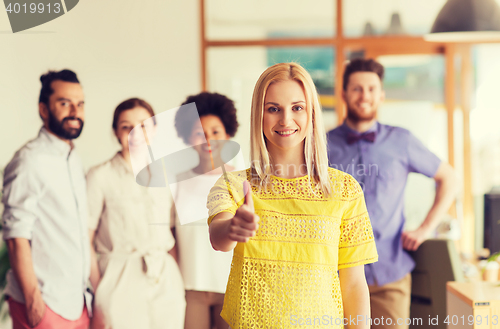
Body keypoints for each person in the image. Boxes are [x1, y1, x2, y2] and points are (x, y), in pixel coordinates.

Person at [207, 62, 378, 328]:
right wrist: (233, 228)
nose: (286, 120)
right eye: (273, 109)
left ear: (311, 114)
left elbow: (354, 284)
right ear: (259, 115)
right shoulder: (235, 183)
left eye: (297, 107)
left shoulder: (344, 189)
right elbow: (219, 238)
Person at [326, 58, 457, 329]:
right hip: (334, 277)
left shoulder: (402, 141)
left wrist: (425, 228)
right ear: (344, 94)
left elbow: (449, 178)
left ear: (382, 94)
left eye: (372, 89)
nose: (365, 96)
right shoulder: (321, 145)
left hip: (390, 276)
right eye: (357, 89)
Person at [2, 69, 91, 329]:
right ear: (43, 109)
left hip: (76, 303)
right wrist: (33, 302)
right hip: (44, 304)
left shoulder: (73, 158)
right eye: (65, 103)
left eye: (80, 104)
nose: (75, 111)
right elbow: (16, 235)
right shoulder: (29, 160)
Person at [86, 98, 185, 329]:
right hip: (119, 277)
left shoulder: (168, 175)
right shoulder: (99, 176)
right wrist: (100, 290)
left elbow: (173, 232)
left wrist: (175, 271)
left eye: (143, 125)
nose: (135, 133)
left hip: (164, 277)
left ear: (155, 129)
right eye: (126, 127)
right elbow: (85, 239)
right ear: (115, 132)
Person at [171, 92, 240, 329]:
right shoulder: (177, 182)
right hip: (191, 286)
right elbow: (170, 237)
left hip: (232, 285)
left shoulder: (242, 180)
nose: (208, 140)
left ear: (228, 134)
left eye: (215, 132)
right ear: (188, 137)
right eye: (200, 133)